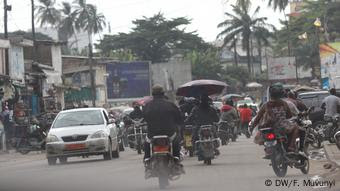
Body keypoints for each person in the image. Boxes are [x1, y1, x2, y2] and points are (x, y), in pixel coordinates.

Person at [253, 83, 300, 152]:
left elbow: (257, 118)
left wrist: (252, 127)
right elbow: (289, 116)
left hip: (269, 127)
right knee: (296, 127)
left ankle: (267, 149)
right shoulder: (284, 103)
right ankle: (291, 146)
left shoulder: (266, 105)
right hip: (283, 127)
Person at [143, 85, 183, 164]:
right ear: (163, 93)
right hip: (169, 132)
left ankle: (147, 158)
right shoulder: (170, 104)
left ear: (153, 94)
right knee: (176, 140)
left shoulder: (147, 106)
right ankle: (176, 158)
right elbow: (179, 117)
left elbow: (145, 118)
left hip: (152, 133)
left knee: (146, 142)